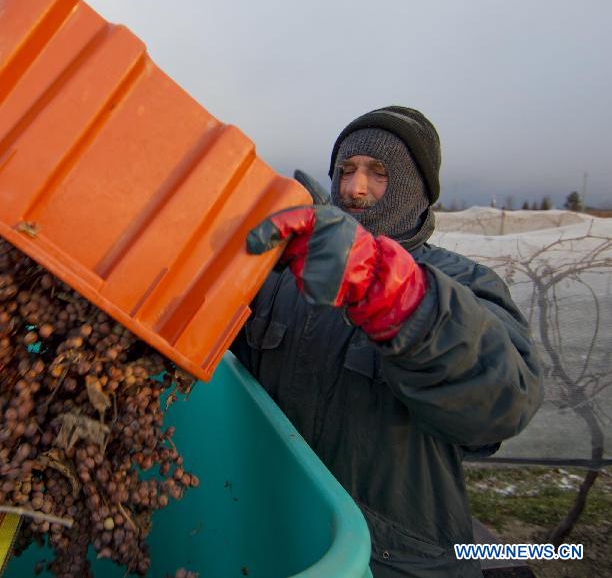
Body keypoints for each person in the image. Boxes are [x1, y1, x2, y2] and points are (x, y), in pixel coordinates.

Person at [232, 106, 544, 578]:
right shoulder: (284, 276)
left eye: (379, 173)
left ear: (415, 190)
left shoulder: (462, 282)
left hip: (394, 557)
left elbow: (503, 401)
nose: (356, 188)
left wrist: (392, 293)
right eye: (346, 170)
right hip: (272, 535)